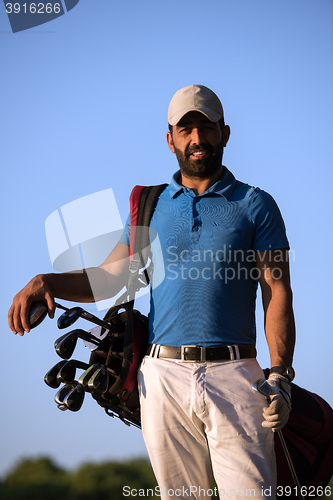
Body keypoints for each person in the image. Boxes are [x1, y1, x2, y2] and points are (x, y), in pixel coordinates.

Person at [9, 85, 296, 500]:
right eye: (186, 130)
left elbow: (276, 291)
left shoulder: (256, 204)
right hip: (162, 378)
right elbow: (113, 277)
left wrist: (280, 375)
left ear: (225, 133)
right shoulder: (151, 205)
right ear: (171, 139)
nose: (197, 139)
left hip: (237, 376)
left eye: (206, 127)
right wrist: (48, 282)